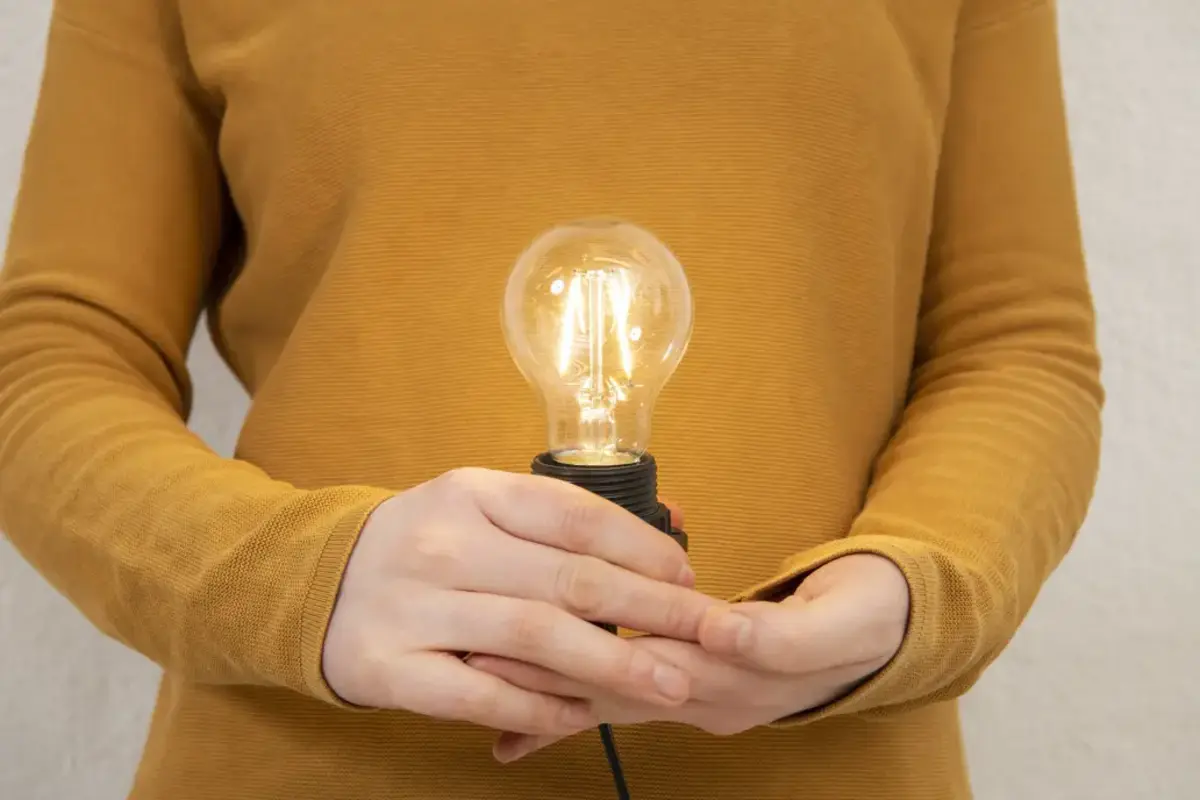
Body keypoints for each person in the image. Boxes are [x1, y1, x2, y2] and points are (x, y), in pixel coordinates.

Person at [0, 1, 1102, 798]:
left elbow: (1015, 345)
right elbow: (48, 359)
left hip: (825, 769)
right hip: (305, 767)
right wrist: (305, 581)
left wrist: (914, 588)